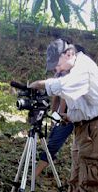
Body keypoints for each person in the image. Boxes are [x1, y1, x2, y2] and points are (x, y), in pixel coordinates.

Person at [29, 39, 98, 192]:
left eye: (57, 65)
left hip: (93, 129)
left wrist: (37, 84)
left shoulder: (83, 67)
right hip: (81, 128)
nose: (56, 70)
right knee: (75, 179)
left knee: (90, 182)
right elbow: (80, 103)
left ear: (69, 54)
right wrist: (67, 116)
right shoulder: (72, 69)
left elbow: (63, 85)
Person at [35, 47, 75, 177]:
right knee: (52, 139)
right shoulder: (59, 74)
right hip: (63, 114)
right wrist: (54, 116)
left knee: (53, 144)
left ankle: (34, 175)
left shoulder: (71, 75)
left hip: (72, 114)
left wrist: (58, 117)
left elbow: (64, 98)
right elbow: (56, 98)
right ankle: (44, 165)